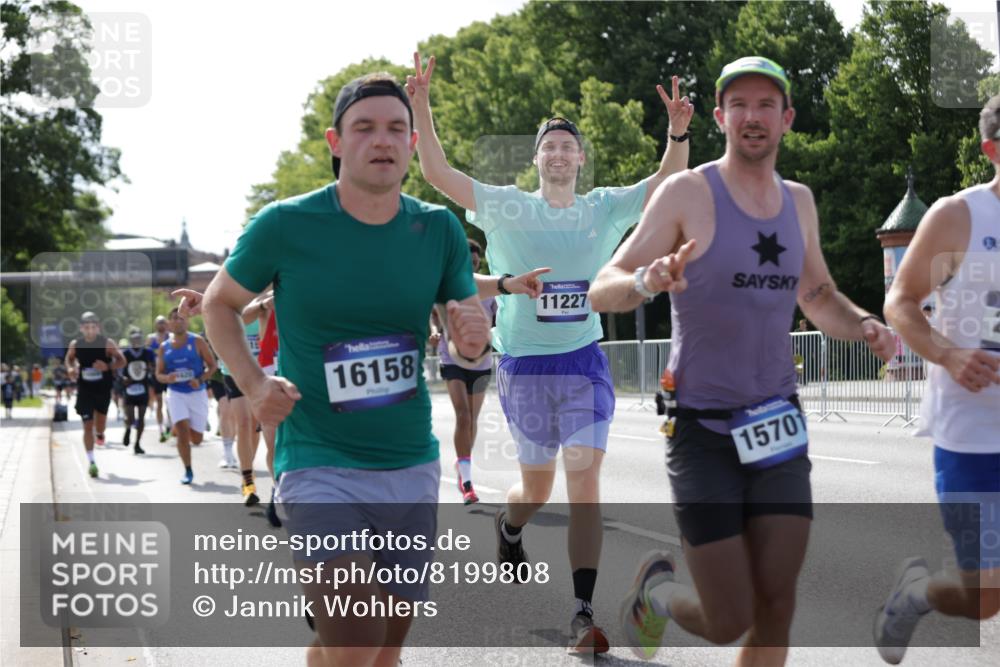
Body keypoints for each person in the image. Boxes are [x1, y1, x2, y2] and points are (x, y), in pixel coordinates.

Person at [587, 56, 895, 665]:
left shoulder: (799, 202)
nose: (752, 117)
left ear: (787, 119)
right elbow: (603, 284)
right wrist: (647, 281)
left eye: (765, 106)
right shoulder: (688, 192)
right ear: (722, 117)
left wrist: (862, 325)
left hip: (776, 421)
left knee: (777, 603)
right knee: (730, 618)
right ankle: (659, 594)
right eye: (739, 105)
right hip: (700, 427)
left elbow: (817, 295)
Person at [406, 50, 693, 652]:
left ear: (580, 159)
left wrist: (677, 131)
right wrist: (421, 106)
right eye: (549, 147)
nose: (559, 154)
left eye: (569, 146)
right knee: (535, 491)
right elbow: (438, 174)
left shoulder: (603, 207)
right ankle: (511, 528)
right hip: (524, 368)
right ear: (537, 159)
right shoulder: (509, 206)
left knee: (584, 483)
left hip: (585, 361)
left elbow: (667, 182)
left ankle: (583, 614)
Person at [201, 71, 490, 667]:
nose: (381, 141)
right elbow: (218, 303)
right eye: (365, 128)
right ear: (336, 142)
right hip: (318, 465)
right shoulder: (286, 223)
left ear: (413, 144)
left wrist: (471, 337)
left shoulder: (437, 229)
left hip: (408, 465)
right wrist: (254, 385)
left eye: (395, 129)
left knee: (380, 649)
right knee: (358, 644)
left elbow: (465, 329)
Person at [874, 94, 1000, 664]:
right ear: (992, 149)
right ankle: (916, 592)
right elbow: (900, 302)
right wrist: (948, 354)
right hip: (972, 436)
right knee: (984, 597)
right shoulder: (959, 217)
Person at [430, 239, 498, 505]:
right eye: (468, 261)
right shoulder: (446, 284)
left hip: (481, 363)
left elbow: (495, 320)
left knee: (473, 419)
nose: (473, 265)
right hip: (452, 358)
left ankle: (463, 464)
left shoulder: (489, 290)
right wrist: (435, 333)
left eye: (475, 261)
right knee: (463, 416)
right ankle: (467, 482)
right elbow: (434, 314)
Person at [154, 307, 217, 485]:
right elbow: (158, 374)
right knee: (182, 432)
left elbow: (212, 366)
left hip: (197, 393)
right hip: (176, 393)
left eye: (182, 318)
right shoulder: (163, 347)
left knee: (196, 439)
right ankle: (188, 470)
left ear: (187, 321)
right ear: (169, 324)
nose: (178, 321)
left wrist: (200, 378)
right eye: (174, 318)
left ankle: (181, 426)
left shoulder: (197, 341)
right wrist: (168, 378)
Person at [64, 312, 127, 478]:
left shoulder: (107, 343)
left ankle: (100, 434)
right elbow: (69, 359)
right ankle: (91, 461)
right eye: (86, 327)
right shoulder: (76, 344)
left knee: (100, 425)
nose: (90, 331)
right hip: (84, 389)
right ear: (81, 328)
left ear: (98, 327)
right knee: (86, 425)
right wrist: (70, 369)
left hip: (102, 389)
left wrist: (107, 366)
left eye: (93, 327)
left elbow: (121, 361)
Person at [122, 328, 156, 455]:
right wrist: (123, 378)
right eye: (134, 338)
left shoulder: (148, 352)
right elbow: (119, 368)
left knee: (141, 418)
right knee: (130, 417)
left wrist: (150, 369)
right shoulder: (125, 353)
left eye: (138, 338)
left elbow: (154, 367)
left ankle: (137, 444)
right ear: (130, 339)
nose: (136, 340)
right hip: (129, 388)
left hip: (143, 388)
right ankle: (128, 429)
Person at [147, 315, 171, 442]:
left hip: (169, 373)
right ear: (155, 324)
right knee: (159, 402)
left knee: (170, 402)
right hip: (156, 374)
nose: (161, 325)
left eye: (163, 322)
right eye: (159, 322)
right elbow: (146, 355)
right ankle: (161, 429)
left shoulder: (171, 337)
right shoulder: (151, 339)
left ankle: (170, 426)